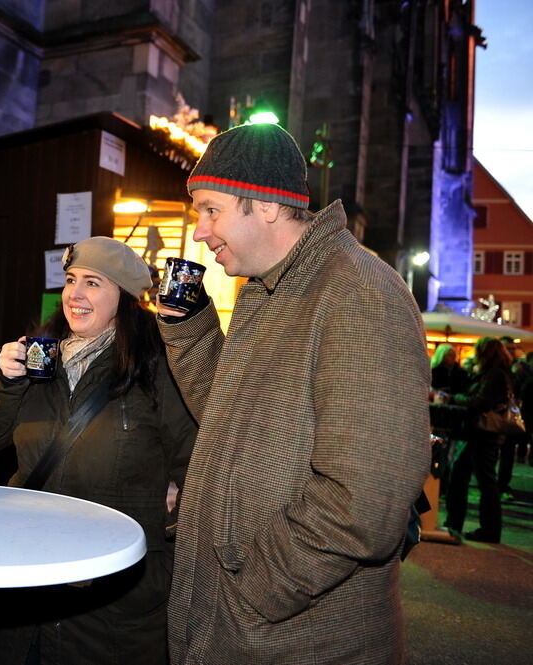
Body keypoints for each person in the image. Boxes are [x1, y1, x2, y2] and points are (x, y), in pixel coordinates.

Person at [156, 123, 431, 664]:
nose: (200, 231)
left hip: (299, 638)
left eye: (210, 210)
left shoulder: (358, 292)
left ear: (265, 206)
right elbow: (230, 418)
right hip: (253, 627)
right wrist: (192, 330)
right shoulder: (270, 287)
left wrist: (259, 586)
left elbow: (364, 502)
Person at [0, 236, 197, 665]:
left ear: (125, 298)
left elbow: (196, 462)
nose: (74, 293)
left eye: (93, 283)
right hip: (26, 578)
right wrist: (1, 377)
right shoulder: (37, 361)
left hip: (114, 599)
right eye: (71, 280)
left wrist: (167, 554)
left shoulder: (157, 367)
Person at [444, 336, 513, 543]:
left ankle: (487, 530)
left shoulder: (493, 375)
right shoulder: (498, 373)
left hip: (483, 434)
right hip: (482, 435)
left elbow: (479, 403)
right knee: (464, 476)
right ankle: (457, 523)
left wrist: (455, 398)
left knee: (481, 481)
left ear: (485, 353)